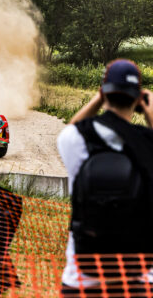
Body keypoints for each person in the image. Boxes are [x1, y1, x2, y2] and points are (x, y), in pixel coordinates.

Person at [57, 59, 153, 296]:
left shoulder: (77, 139)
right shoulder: (148, 144)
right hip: (138, 280)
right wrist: (149, 110)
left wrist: (97, 100)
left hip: (82, 278)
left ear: (104, 93)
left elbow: (71, 129)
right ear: (138, 98)